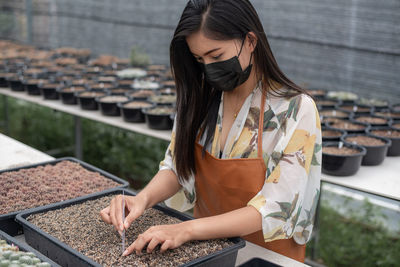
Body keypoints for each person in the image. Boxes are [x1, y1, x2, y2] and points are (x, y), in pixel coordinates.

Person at [100, 0, 321, 262]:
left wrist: (187, 228)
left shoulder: (294, 111)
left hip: (265, 256)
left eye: (216, 56)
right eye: (199, 59)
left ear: (250, 41)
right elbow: (178, 166)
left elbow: (275, 207)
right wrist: (142, 199)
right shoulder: (202, 99)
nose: (208, 67)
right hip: (206, 251)